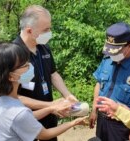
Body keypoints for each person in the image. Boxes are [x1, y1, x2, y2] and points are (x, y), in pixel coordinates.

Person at [0, 42, 87, 141]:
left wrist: (51, 108)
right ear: (10, 76)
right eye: (24, 65)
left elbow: (26, 119)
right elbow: (45, 134)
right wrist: (74, 122)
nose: (30, 66)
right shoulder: (18, 112)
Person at [13, 5, 78, 141]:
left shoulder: (43, 47)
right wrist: (50, 106)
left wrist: (68, 95)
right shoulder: (13, 54)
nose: (50, 33)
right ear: (29, 30)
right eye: (46, 30)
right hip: (27, 120)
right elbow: (14, 96)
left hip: (49, 117)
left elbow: (53, 74)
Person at [89, 22, 130, 141]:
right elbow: (99, 84)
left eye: (117, 51)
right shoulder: (107, 60)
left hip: (122, 124)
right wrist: (94, 110)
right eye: (111, 51)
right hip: (102, 120)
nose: (113, 55)